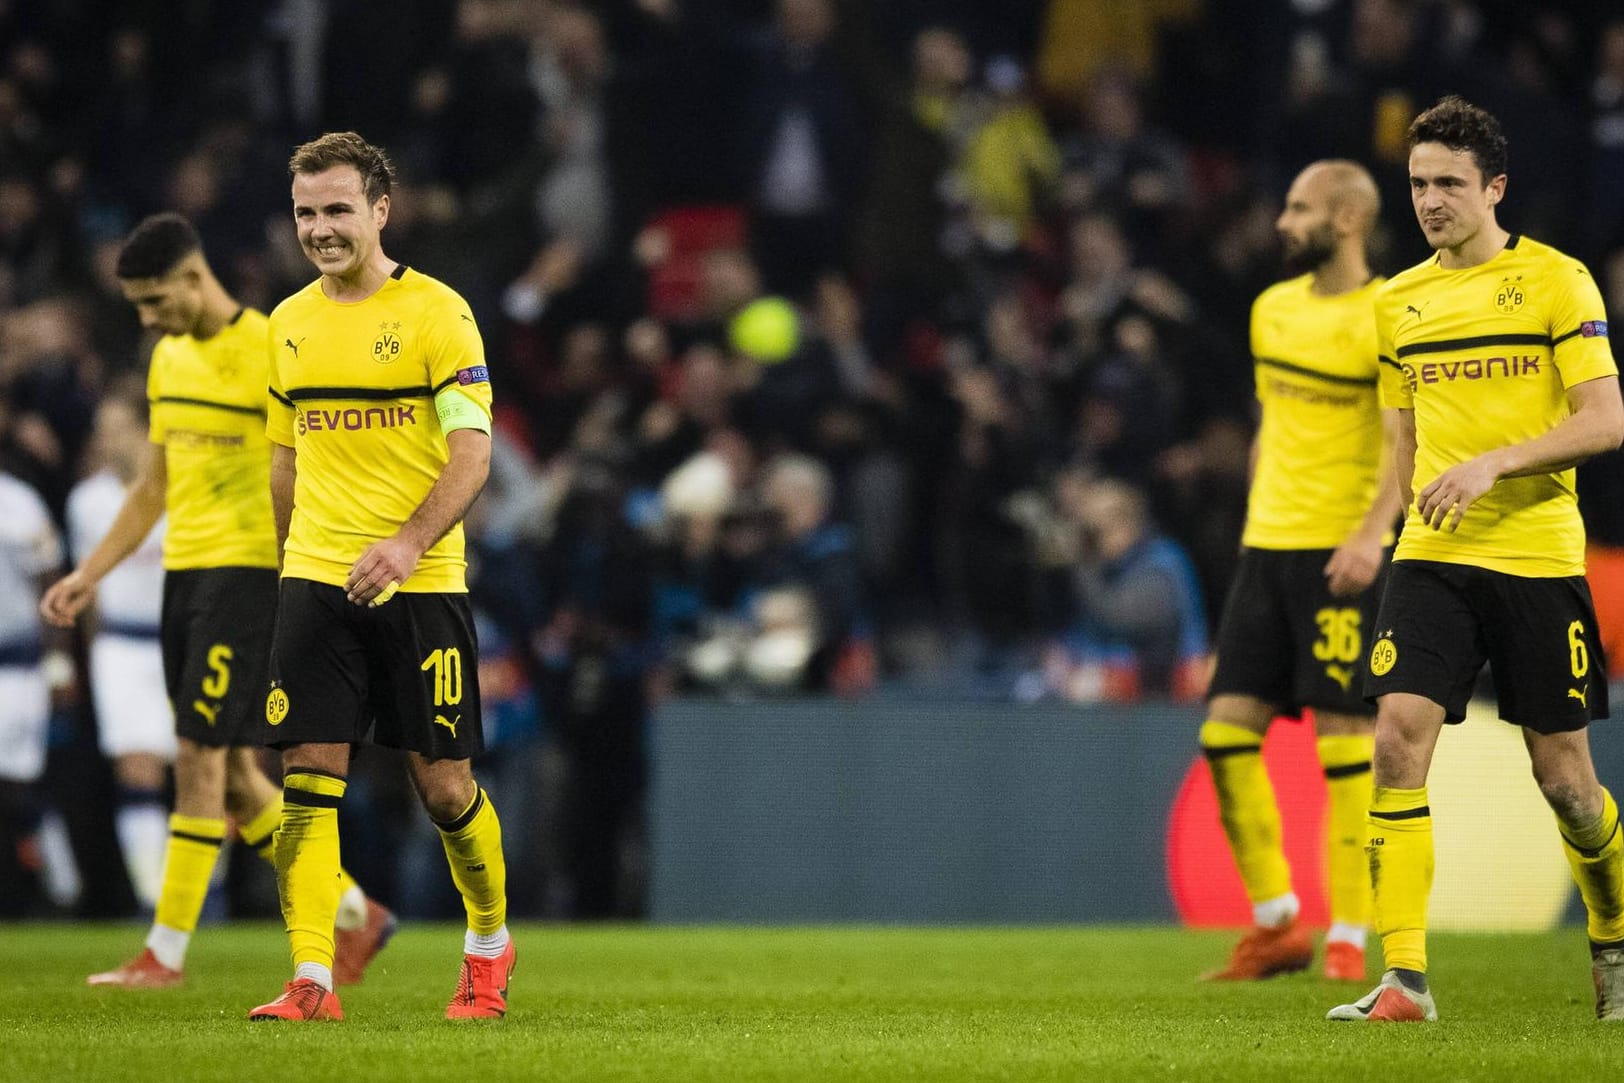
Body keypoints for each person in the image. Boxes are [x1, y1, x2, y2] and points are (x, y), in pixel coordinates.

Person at [40, 213, 394, 988]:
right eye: (136, 304)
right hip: (185, 577)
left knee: (197, 756)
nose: (147, 317)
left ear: (195, 279)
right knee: (232, 772)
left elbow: (326, 459)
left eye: (155, 299)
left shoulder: (271, 344)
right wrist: (90, 573)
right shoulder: (168, 358)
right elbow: (153, 487)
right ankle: (353, 911)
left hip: (250, 574)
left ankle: (162, 951)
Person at [1329, 96, 1624, 1024]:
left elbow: (1606, 420)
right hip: (1433, 555)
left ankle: (1614, 934)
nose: (1430, 201)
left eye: (1450, 183)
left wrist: (1496, 460)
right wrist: (1378, 525)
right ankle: (1405, 979)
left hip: (1537, 554)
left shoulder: (1557, 283)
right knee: (1395, 737)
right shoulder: (1398, 302)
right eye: (1417, 184)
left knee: (1566, 782)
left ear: (1494, 187)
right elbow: (1401, 443)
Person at [249, 132, 511, 1023]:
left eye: (336, 210)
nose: (320, 229)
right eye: (305, 213)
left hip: (422, 579)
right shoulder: (286, 325)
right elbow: (285, 462)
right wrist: (289, 568)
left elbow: (473, 454)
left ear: (380, 210)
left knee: (442, 787)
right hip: (317, 577)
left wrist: (404, 545)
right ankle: (312, 978)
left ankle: (486, 944)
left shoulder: (440, 314)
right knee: (307, 780)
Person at [1198, 159, 1401, 984]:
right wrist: (1255, 512)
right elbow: (1270, 425)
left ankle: (1349, 937)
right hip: (1267, 548)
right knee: (1224, 735)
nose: (1282, 223)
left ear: (1348, 217)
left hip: (1339, 553)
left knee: (1346, 741)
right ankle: (1279, 921)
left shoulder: (1388, 311)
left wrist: (1371, 536)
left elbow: (1404, 441)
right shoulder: (1270, 309)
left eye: (1298, 208)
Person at [65, 385, 170, 909]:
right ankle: (153, 898)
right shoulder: (88, 501)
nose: (105, 442)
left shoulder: (183, 489)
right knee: (138, 769)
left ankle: (207, 895)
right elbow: (91, 592)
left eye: (116, 429)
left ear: (147, 428)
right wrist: (88, 659)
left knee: (211, 772)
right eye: (100, 431)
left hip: (182, 640)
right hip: (123, 647)